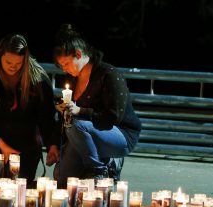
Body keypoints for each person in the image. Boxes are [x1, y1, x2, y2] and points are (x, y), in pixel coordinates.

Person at [46, 24, 142, 188]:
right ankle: (96, 161)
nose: (65, 70)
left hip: (119, 134)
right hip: (83, 135)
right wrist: (54, 143)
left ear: (78, 54)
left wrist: (79, 110)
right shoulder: (74, 79)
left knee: (76, 124)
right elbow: (66, 117)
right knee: (61, 178)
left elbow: (114, 116)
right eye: (62, 66)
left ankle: (100, 168)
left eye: (67, 64)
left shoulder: (108, 74)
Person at [0, 34, 59, 187]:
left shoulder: (37, 80)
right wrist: (3, 147)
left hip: (23, 145)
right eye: (8, 62)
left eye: (19, 63)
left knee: (18, 185)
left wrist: (52, 144)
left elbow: (46, 116)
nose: (13, 66)